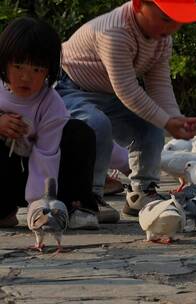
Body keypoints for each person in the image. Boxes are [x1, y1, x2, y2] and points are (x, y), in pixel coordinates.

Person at [56, 0, 196, 216]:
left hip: (110, 93)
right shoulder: (115, 32)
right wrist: (166, 121)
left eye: (178, 21)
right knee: (95, 125)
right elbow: (127, 90)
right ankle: (88, 197)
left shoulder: (161, 38)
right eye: (165, 19)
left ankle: (142, 192)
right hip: (72, 88)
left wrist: (174, 118)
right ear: (139, 6)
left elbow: (159, 83)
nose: (171, 28)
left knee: (150, 123)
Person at [0, 17, 101, 229]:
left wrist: (40, 205)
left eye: (37, 70)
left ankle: (76, 206)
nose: (26, 77)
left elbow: (46, 154)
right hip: (7, 176)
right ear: (4, 62)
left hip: (44, 175)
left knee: (79, 132)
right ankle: (3, 210)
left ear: (49, 70)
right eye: (18, 66)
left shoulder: (50, 103)